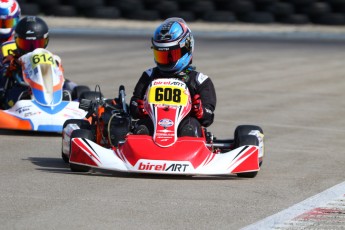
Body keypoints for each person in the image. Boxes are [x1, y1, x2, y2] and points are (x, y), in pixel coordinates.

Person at [129, 17, 216, 137]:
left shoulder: (200, 81)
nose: (165, 61)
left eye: (170, 55)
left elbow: (209, 116)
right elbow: (133, 104)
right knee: (141, 128)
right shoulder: (149, 76)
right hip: (152, 126)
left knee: (190, 128)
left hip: (185, 127)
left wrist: (200, 111)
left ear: (186, 48)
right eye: (161, 55)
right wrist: (139, 108)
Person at [0, 16, 76, 109]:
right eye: (26, 45)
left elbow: (63, 81)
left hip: (49, 94)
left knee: (78, 90)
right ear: (16, 41)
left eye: (37, 45)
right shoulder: (10, 64)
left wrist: (76, 91)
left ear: (46, 41)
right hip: (14, 106)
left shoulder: (51, 61)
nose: (32, 50)